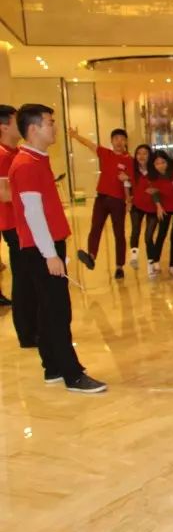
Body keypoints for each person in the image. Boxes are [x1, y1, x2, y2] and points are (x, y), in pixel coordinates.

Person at [9, 104, 106, 393]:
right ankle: (72, 374)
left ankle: (51, 366)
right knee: (58, 311)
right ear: (34, 128)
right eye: (50, 122)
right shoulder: (26, 164)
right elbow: (33, 213)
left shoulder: (37, 159)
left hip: (46, 245)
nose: (54, 127)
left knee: (48, 308)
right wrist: (50, 254)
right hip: (41, 248)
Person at [73, 127, 133, 280]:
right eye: (116, 139)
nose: (119, 142)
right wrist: (76, 136)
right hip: (101, 198)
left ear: (126, 142)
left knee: (119, 233)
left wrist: (128, 199)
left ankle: (119, 267)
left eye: (122, 139)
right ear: (111, 141)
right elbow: (89, 144)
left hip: (118, 201)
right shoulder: (106, 153)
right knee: (95, 227)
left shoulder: (129, 160)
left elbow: (131, 182)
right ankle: (91, 256)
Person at [0, 105, 25, 326]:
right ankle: (26, 329)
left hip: (21, 222)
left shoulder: (17, 152)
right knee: (23, 276)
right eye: (17, 120)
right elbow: (4, 194)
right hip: (12, 223)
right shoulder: (2, 155)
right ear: (4, 126)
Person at [146, 150, 173, 277]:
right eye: (157, 163)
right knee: (161, 234)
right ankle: (156, 261)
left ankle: (172, 266)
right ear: (153, 165)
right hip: (165, 208)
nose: (160, 165)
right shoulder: (153, 177)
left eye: (163, 162)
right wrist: (159, 206)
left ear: (167, 161)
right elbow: (154, 193)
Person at [128, 144, 157, 274]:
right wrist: (128, 199)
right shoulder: (132, 170)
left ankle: (151, 264)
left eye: (145, 153)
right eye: (139, 153)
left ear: (150, 156)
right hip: (137, 205)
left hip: (153, 208)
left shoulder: (155, 170)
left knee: (148, 237)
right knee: (135, 230)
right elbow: (126, 184)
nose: (141, 156)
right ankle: (134, 257)